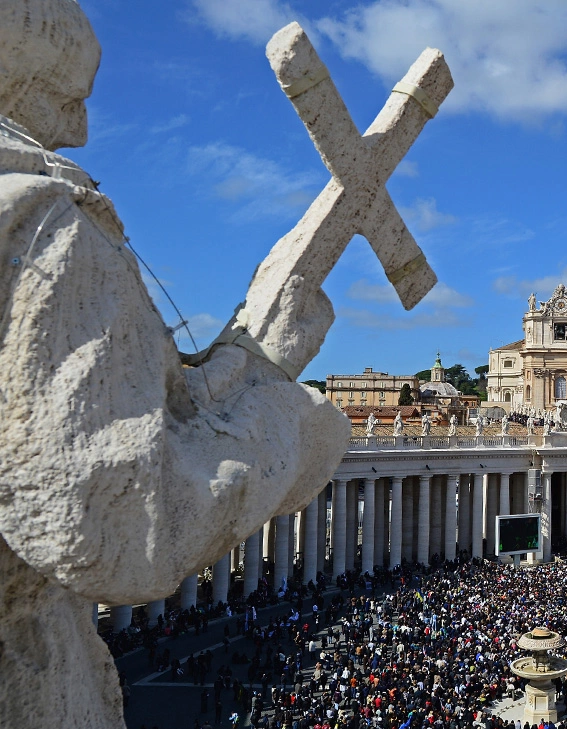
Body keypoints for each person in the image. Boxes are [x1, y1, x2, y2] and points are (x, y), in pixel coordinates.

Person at [0, 3, 350, 727]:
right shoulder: (38, 223)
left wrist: (250, 357)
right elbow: (122, 517)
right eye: (64, 100)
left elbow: (135, 411)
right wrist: (292, 423)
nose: (79, 132)